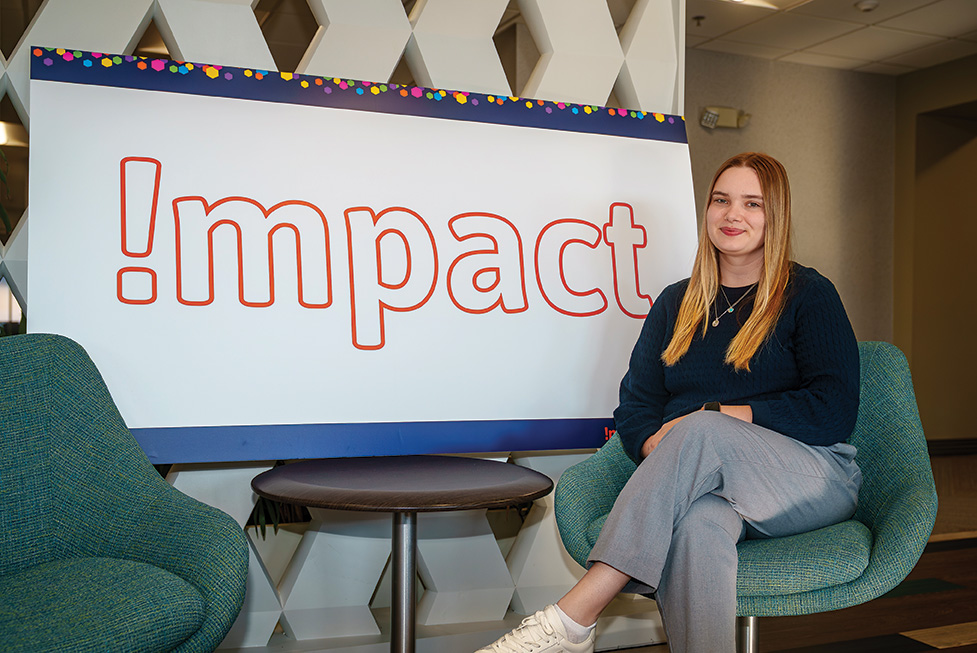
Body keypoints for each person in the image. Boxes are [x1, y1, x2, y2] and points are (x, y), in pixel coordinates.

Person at [476, 152, 862, 653]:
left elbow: (835, 408)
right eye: (721, 200)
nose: (732, 215)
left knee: (702, 428)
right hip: (709, 475)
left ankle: (575, 617)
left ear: (777, 216)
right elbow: (636, 403)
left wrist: (725, 416)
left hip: (811, 475)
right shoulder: (675, 302)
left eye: (752, 203)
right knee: (699, 526)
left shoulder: (809, 294)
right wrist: (653, 441)